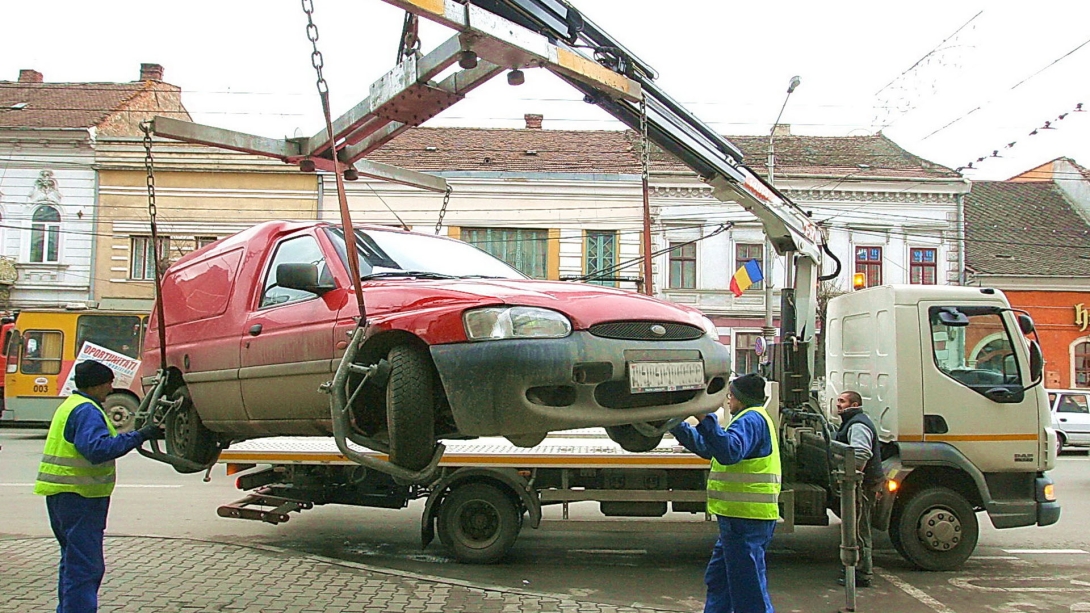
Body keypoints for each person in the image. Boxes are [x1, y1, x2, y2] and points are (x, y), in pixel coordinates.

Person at [34, 360, 162, 613]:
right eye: (108, 383)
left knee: (72, 561)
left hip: (62, 497)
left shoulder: (70, 405)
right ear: (96, 385)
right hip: (81, 498)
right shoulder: (87, 411)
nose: (111, 389)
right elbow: (97, 449)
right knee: (86, 567)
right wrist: (140, 435)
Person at [671, 372, 779, 613]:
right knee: (720, 580)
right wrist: (676, 424)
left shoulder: (751, 419)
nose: (728, 401)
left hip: (747, 519)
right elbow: (709, 447)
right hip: (737, 520)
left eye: (730, 396)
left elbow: (729, 451)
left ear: (740, 398)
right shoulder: (746, 419)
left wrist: (703, 416)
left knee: (748, 590)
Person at [833, 390, 883, 588]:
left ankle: (862, 573)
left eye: (842, 401)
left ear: (854, 405)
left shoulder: (858, 424)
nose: (838, 405)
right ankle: (856, 570)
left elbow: (860, 454)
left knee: (859, 530)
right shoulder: (853, 421)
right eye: (838, 401)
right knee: (857, 527)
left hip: (862, 485)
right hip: (861, 484)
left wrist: (851, 478)